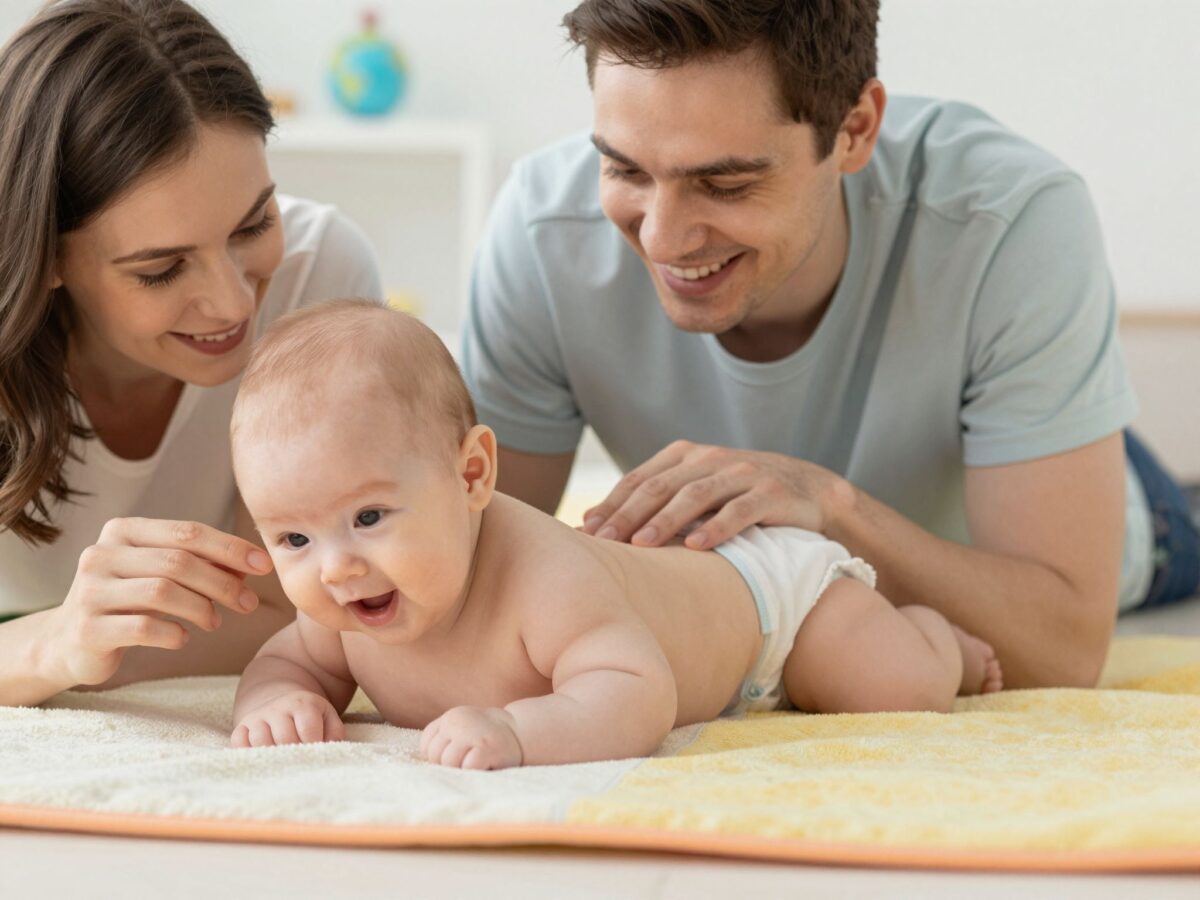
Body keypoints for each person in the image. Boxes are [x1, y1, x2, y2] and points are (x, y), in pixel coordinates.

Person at [460, 0, 1200, 690]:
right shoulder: (540, 232)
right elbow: (462, 565)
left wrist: (830, 505)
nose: (660, 237)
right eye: (624, 169)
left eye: (724, 185)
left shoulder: (1010, 221)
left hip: (1113, 520)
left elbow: (1063, 647)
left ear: (854, 131)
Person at [228, 300, 1002, 767]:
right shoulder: (343, 609)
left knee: (895, 688)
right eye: (293, 540)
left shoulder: (540, 577)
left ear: (471, 477)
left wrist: (518, 731)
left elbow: (639, 693)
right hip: (707, 603)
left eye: (368, 519)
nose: (335, 569)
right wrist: (274, 702)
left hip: (770, 606)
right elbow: (284, 661)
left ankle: (942, 642)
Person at [0, 0, 382, 707]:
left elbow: (299, 614)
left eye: (254, 223)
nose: (235, 304)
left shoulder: (319, 275)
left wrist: (93, 651)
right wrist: (53, 645)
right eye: (160, 269)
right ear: (46, 255)